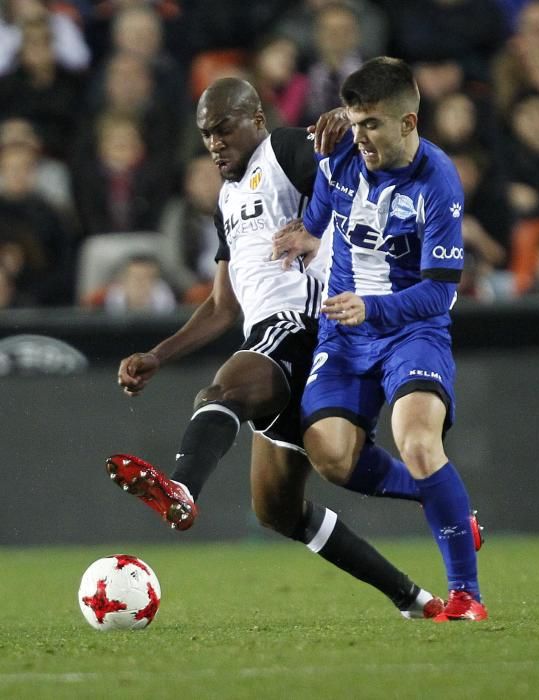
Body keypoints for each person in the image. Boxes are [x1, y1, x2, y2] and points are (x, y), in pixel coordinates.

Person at [108, 76, 445, 621]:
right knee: (277, 509)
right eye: (205, 135)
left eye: (223, 130)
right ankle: (417, 592)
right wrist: (158, 355)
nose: (214, 143)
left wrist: (341, 127)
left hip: (304, 322)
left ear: (256, 120)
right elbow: (222, 306)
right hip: (266, 337)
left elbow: (360, 180)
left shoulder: (285, 150)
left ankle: (182, 491)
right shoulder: (225, 199)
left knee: (220, 391)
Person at [272, 57, 487, 622]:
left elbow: (440, 293)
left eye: (372, 124)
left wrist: (373, 306)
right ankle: (442, 500)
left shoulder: (437, 182)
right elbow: (326, 204)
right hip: (344, 334)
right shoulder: (338, 150)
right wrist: (305, 233)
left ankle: (467, 595)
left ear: (409, 123)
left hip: (411, 330)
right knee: (332, 458)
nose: (359, 135)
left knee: (417, 441)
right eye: (354, 120)